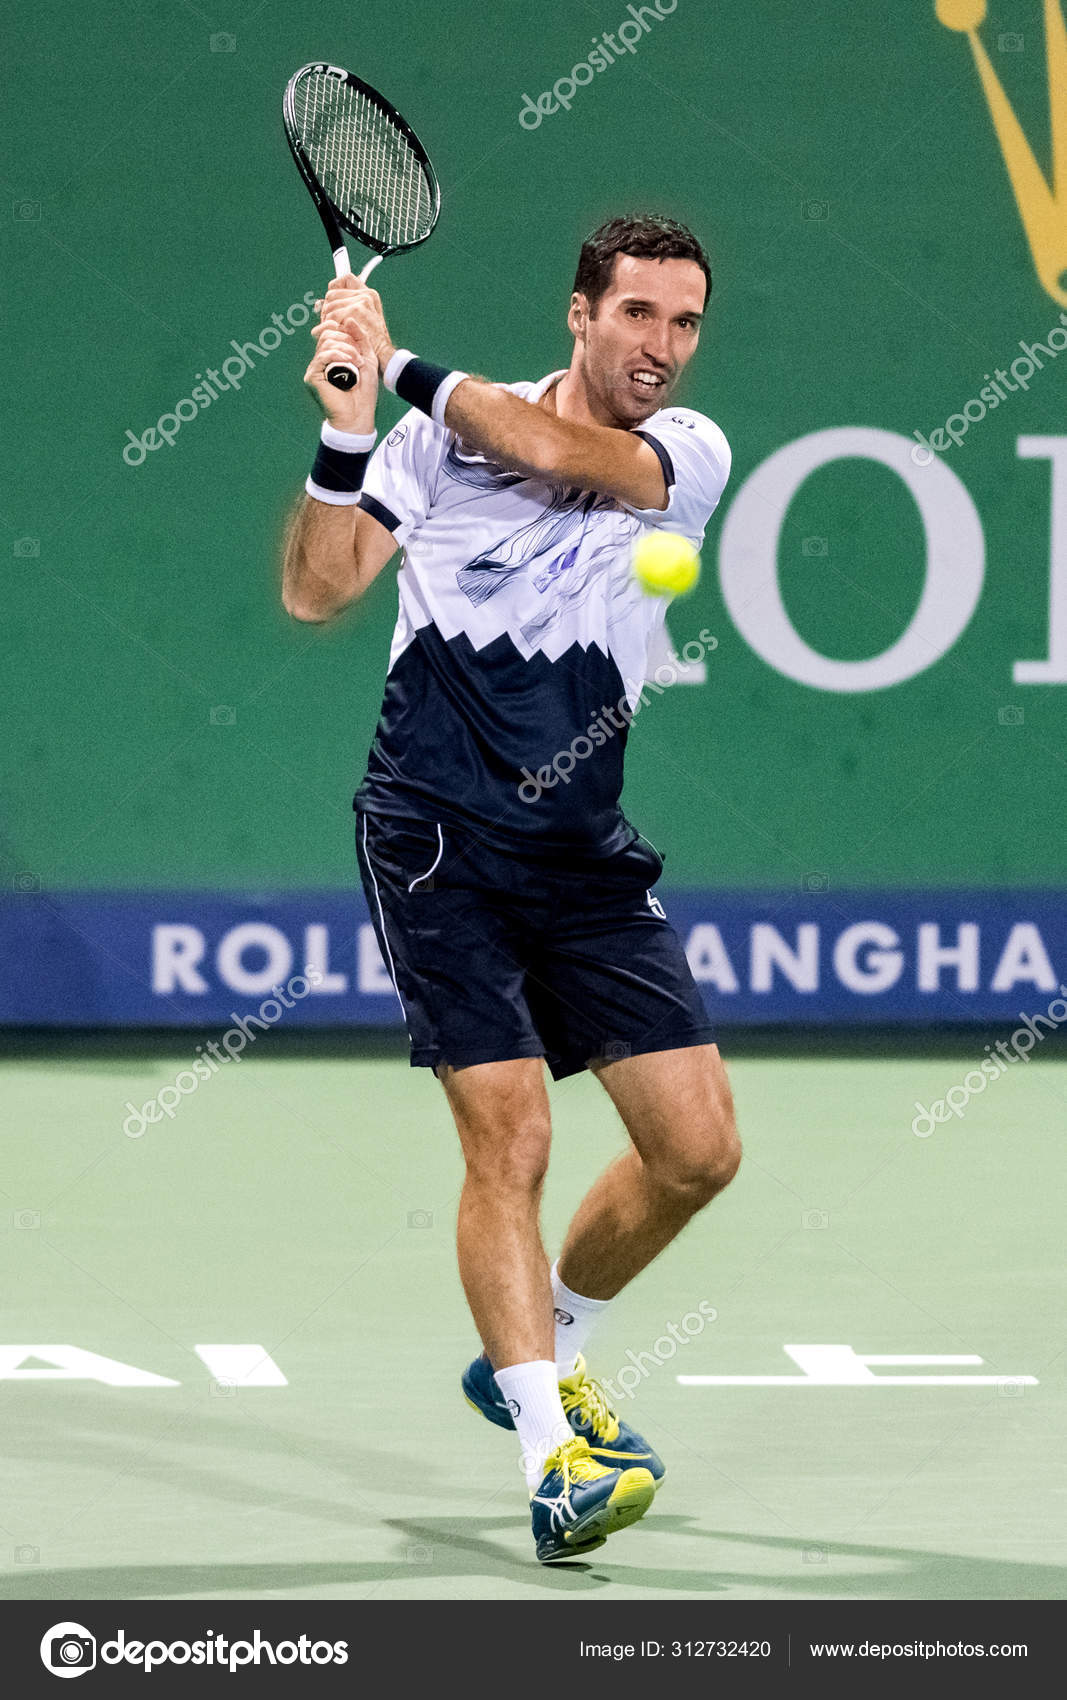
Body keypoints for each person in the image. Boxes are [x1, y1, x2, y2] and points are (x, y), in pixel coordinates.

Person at [282, 213, 741, 1562]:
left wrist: (399, 358)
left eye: (686, 322)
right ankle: (553, 1454)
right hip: (434, 834)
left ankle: (538, 1352)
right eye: (640, 315)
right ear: (579, 312)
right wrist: (351, 427)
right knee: (513, 1140)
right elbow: (321, 591)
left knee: (697, 1150)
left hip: (581, 851)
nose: (663, 347)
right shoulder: (427, 436)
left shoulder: (687, 452)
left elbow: (546, 451)